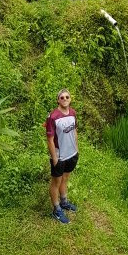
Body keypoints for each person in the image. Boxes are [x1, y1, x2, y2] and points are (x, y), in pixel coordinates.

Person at [45, 89, 79, 224]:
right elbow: (50, 139)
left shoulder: (73, 113)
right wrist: (54, 157)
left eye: (67, 97)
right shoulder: (53, 117)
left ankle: (64, 202)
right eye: (62, 97)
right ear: (58, 100)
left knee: (65, 178)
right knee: (56, 182)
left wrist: (77, 148)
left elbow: (75, 130)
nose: (65, 99)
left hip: (72, 153)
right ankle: (56, 209)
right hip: (60, 155)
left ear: (70, 99)